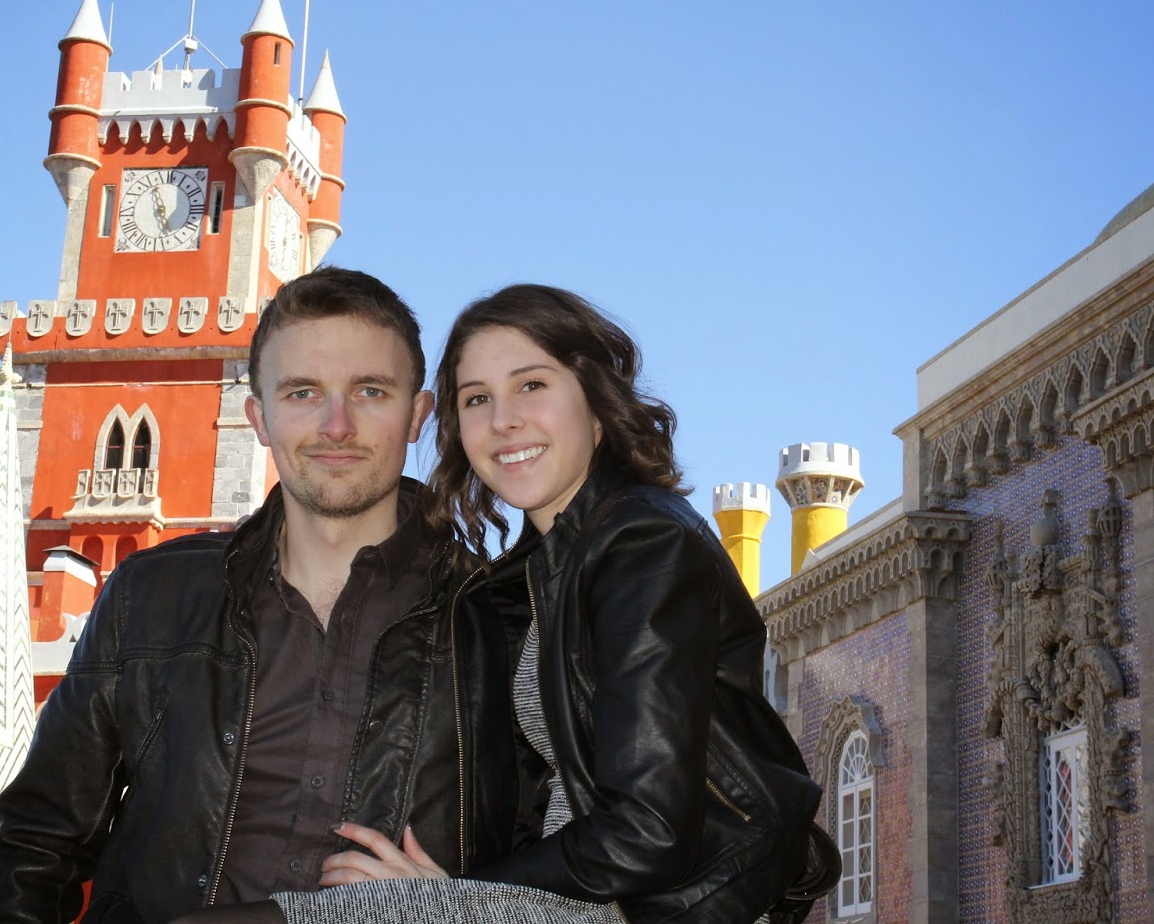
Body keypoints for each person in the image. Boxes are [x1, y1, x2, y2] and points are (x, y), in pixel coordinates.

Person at [186, 284, 837, 924]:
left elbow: (650, 830)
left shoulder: (643, 542)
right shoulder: (539, 570)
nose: (503, 420)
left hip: (647, 905)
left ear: (596, 404)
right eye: (477, 398)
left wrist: (454, 893)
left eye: (531, 385)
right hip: (575, 894)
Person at [0, 268, 521, 924]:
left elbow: (576, 854)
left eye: (370, 391)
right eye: (302, 393)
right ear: (259, 418)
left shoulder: (502, 623)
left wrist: (462, 908)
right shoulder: (149, 597)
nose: (337, 425)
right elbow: (40, 844)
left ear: (417, 415)